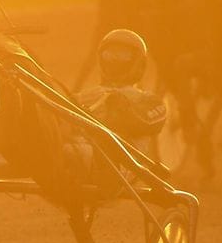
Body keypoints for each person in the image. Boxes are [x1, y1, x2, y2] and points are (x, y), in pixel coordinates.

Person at [67, 29, 166, 185]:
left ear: (138, 63)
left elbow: (143, 123)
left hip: (118, 168)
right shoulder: (85, 96)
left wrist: (117, 105)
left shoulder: (150, 101)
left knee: (71, 151)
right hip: (78, 153)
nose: (114, 60)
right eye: (110, 54)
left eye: (123, 55)